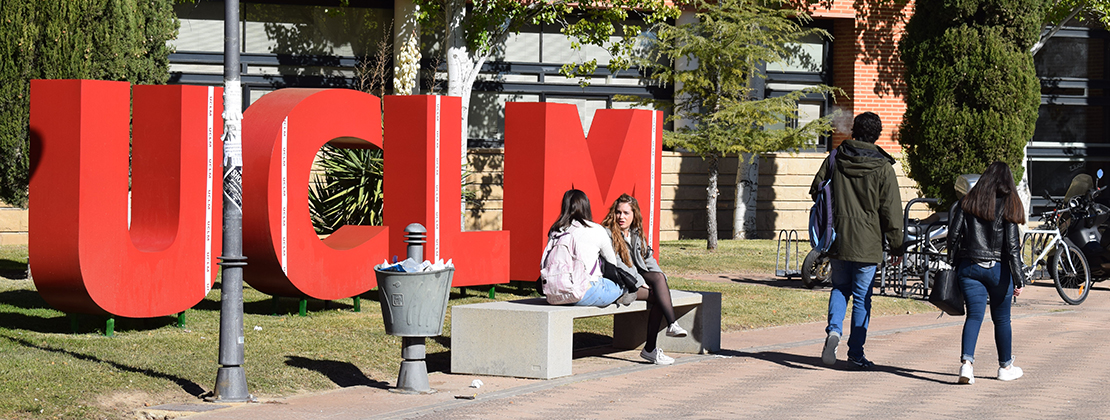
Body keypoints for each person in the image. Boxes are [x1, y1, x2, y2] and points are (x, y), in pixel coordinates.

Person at [809, 111, 904, 369]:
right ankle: (856, 353)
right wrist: (897, 244)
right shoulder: (883, 168)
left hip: (838, 237)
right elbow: (891, 211)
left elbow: (815, 190)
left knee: (840, 288)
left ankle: (834, 331)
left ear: (854, 131)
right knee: (862, 297)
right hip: (868, 242)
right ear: (877, 135)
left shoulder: (836, 158)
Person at [946, 161, 1025, 384]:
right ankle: (1005, 367)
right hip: (999, 271)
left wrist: (952, 264)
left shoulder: (967, 202)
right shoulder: (1009, 204)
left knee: (974, 316)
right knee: (1002, 320)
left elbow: (953, 236)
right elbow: (1012, 247)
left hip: (969, 267)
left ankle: (966, 366)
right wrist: (1019, 279)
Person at [601, 194, 689, 365]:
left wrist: (661, 278)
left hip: (636, 278)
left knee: (658, 278)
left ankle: (670, 327)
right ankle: (651, 348)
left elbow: (648, 259)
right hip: (620, 282)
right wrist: (642, 281)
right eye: (618, 212)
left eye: (626, 213)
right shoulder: (607, 233)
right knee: (659, 298)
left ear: (634, 214)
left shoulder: (636, 232)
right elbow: (618, 264)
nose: (621, 217)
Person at [544, 189, 639, 308]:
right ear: (586, 206)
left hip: (553, 295)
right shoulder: (596, 229)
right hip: (584, 293)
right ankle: (620, 295)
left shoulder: (555, 231)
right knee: (622, 285)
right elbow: (612, 263)